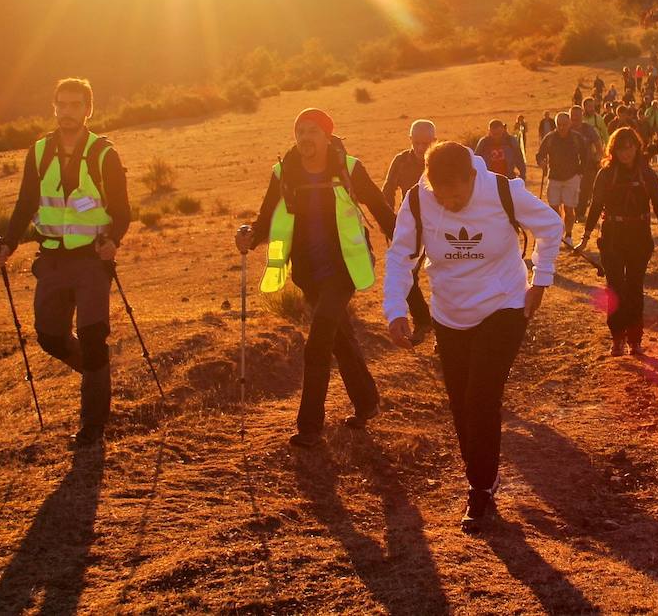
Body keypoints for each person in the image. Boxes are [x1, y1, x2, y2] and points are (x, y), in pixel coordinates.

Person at [383, 142, 564, 532]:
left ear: (472, 176)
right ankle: (483, 476)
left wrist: (541, 280)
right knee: (461, 405)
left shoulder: (502, 190)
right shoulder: (417, 200)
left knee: (481, 398)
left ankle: (480, 488)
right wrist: (396, 308)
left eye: (459, 194)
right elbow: (401, 257)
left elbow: (551, 226)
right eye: (443, 195)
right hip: (449, 315)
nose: (452, 201)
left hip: (503, 306)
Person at [0, 77, 132, 448]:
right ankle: (97, 375)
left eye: (75, 105)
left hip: (90, 260)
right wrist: (9, 244)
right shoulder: (38, 152)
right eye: (62, 105)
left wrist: (112, 241)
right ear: (54, 107)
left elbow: (122, 211)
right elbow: (25, 205)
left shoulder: (104, 154)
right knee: (49, 336)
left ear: (88, 110)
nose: (68, 112)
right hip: (51, 258)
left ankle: (92, 425)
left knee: (93, 335)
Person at [238, 108, 396, 447]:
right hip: (308, 273)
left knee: (319, 340)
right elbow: (266, 216)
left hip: (345, 268)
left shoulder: (348, 167)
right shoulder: (283, 172)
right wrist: (250, 236)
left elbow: (378, 205)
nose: (305, 138)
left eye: (313, 131)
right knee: (340, 337)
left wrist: (403, 237)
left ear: (327, 136)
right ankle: (367, 404)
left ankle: (310, 427)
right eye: (300, 131)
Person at [577, 128, 658, 357]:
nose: (626, 152)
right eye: (621, 148)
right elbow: (595, 207)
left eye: (630, 147)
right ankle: (617, 338)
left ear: (636, 147)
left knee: (634, 288)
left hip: (639, 238)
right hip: (612, 237)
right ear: (614, 149)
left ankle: (635, 339)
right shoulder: (605, 174)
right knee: (615, 288)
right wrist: (585, 237)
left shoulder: (647, 174)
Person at [382, 119, 438, 344]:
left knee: (442, 276)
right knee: (409, 275)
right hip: (410, 227)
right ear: (410, 140)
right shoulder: (401, 161)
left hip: (438, 227)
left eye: (426, 143)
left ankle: (442, 330)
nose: (421, 149)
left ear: (434, 141)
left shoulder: (439, 160)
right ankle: (424, 321)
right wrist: (391, 223)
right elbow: (387, 189)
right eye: (417, 143)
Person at [535, 111, 585, 244]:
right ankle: (557, 234)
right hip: (554, 178)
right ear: (556, 125)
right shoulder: (550, 138)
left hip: (571, 177)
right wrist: (541, 162)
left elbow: (585, 156)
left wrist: (580, 172)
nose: (562, 127)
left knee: (569, 209)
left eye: (564, 124)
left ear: (569, 124)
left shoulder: (576, 138)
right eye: (559, 125)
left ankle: (568, 235)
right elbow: (540, 154)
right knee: (553, 210)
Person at [569, 104, 602, 223]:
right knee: (571, 190)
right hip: (570, 166)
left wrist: (598, 157)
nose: (575, 118)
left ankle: (580, 214)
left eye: (577, 115)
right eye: (573, 116)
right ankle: (571, 213)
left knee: (584, 190)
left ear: (582, 116)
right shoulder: (566, 129)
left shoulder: (588, 129)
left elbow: (598, 144)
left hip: (588, 165)